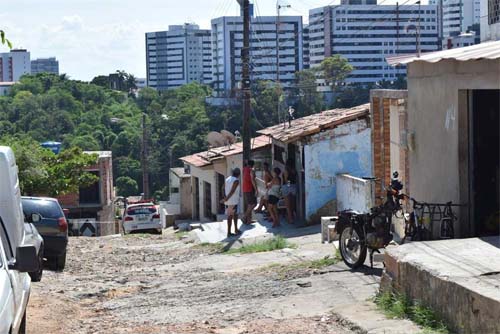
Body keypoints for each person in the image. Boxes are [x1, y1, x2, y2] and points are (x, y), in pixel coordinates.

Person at [222, 168, 241, 238]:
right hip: (233, 201)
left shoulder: (227, 179)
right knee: (231, 216)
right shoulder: (236, 180)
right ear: (238, 174)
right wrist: (226, 198)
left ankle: (235, 230)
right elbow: (232, 191)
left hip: (229, 201)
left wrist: (224, 197)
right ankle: (229, 232)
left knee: (234, 215)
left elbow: (222, 188)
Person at [242, 159, 257, 224]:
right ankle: (244, 217)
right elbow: (253, 180)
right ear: (253, 165)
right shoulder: (251, 170)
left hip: (245, 188)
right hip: (249, 188)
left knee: (249, 205)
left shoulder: (244, 169)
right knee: (253, 204)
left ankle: (249, 220)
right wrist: (256, 189)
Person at [283, 159, 297, 224]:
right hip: (294, 186)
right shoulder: (294, 170)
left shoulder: (286, 170)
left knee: (288, 205)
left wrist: (288, 185)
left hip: (287, 187)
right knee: (292, 203)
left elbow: (286, 180)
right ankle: (293, 216)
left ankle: (290, 219)